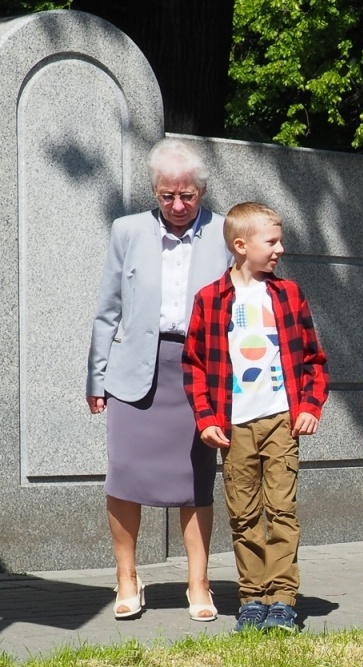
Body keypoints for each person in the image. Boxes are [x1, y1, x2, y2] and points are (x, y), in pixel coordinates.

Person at [86, 138, 232, 622]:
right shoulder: (127, 230)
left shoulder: (223, 233)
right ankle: (127, 577)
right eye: (166, 195)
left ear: (201, 191)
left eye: (186, 196)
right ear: (155, 190)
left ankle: (199, 581)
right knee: (125, 475)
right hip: (133, 373)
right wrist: (96, 376)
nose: (176, 205)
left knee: (196, 481)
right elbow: (108, 309)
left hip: (198, 373)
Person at [182, 202, 328, 632]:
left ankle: (282, 597)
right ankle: (252, 597)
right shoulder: (211, 299)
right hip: (233, 427)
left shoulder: (287, 295)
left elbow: (315, 361)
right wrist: (206, 417)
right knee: (243, 514)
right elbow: (193, 365)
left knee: (281, 510)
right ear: (241, 246)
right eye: (273, 241)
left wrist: (308, 408)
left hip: (281, 420)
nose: (280, 249)